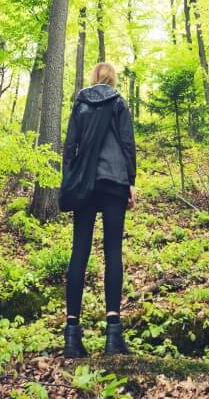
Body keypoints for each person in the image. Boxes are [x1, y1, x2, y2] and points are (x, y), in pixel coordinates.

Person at [57, 60, 137, 358]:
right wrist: (131, 181)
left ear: (93, 78)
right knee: (113, 251)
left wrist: (69, 181)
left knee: (80, 251)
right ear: (113, 80)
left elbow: (69, 146)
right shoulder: (118, 102)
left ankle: (71, 336)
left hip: (85, 184)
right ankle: (113, 335)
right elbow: (127, 144)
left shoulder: (80, 103)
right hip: (114, 181)